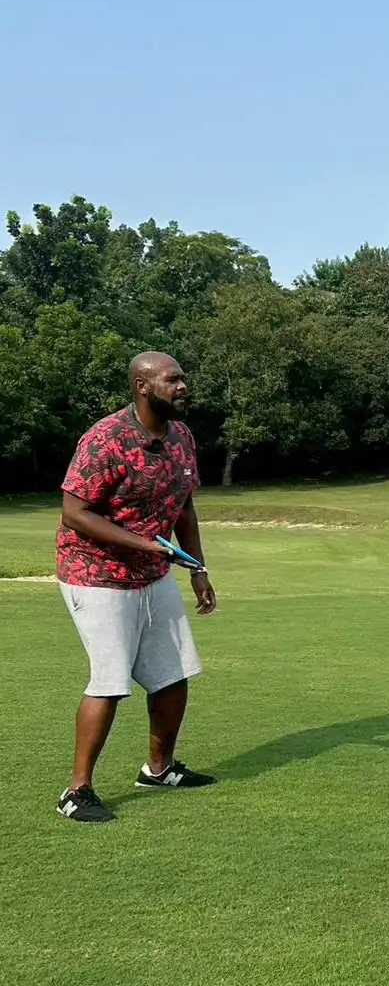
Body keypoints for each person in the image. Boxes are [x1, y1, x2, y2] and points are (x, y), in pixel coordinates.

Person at [55, 351, 218, 823]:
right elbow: (75, 512)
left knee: (173, 675)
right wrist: (145, 544)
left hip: (154, 571)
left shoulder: (181, 436)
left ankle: (158, 768)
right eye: (173, 379)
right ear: (142, 387)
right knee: (109, 680)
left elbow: (184, 507)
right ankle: (76, 791)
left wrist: (198, 569)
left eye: (183, 377)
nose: (182, 385)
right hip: (96, 572)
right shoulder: (104, 438)